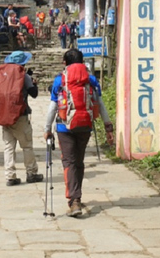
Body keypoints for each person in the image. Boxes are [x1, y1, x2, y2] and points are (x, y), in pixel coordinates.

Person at [43, 48, 114, 217]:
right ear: (82, 62)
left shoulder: (60, 80)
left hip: (64, 127)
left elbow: (53, 107)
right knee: (79, 161)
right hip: (85, 125)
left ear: (65, 63)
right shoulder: (91, 80)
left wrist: (47, 129)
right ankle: (77, 196)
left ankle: (74, 201)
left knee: (69, 162)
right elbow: (100, 104)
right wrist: (108, 127)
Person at [1, 51, 43, 186]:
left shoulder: (3, 75)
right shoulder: (23, 76)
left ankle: (10, 176)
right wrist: (33, 83)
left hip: (5, 115)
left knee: (8, 146)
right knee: (26, 146)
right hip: (20, 115)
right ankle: (31, 173)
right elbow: (34, 93)